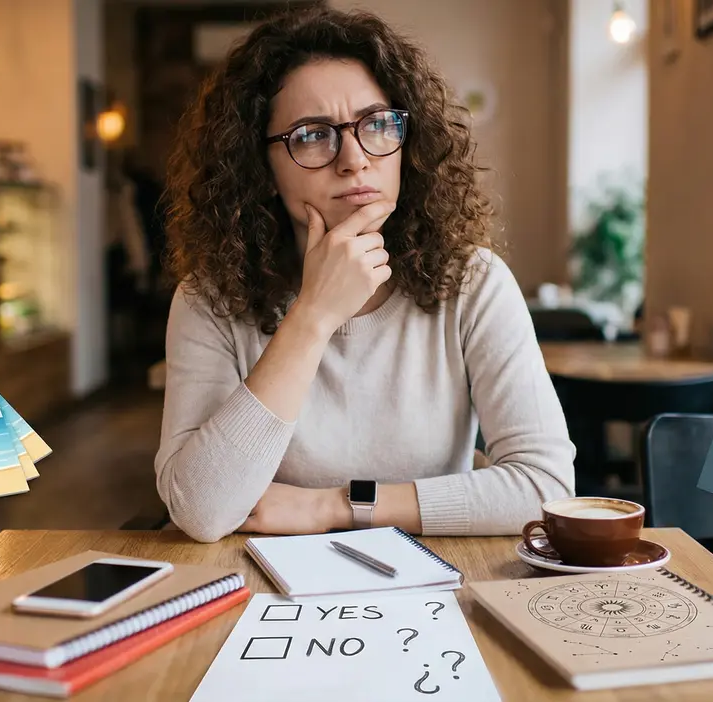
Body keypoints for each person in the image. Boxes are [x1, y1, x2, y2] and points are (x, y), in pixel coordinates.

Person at [154, 7, 575, 543]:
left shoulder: (474, 282)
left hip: (440, 577)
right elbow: (201, 510)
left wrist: (335, 507)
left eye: (376, 124)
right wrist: (314, 315)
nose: (354, 159)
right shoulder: (209, 299)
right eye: (312, 134)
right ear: (261, 166)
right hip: (260, 580)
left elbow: (546, 487)